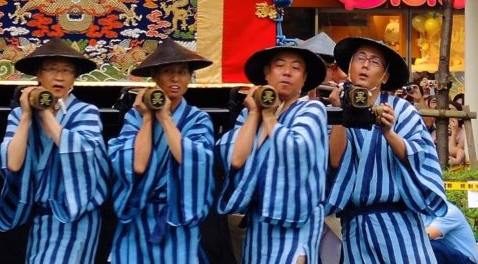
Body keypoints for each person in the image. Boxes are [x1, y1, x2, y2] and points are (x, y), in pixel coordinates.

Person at [327, 37, 447, 264]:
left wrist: (389, 133)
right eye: (360, 58)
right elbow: (335, 163)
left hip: (399, 225)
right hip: (356, 228)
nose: (365, 65)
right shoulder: (334, 109)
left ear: (385, 76)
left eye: (374, 62)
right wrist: (339, 113)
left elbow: (420, 158)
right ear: (349, 67)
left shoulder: (404, 110)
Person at [0, 37, 109, 264]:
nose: (59, 77)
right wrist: (26, 115)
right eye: (52, 70)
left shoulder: (86, 112)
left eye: (66, 71)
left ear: (74, 78)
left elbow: (84, 155)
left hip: (75, 214)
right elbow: (11, 163)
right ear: (39, 75)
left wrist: (47, 113)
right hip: (42, 219)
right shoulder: (20, 115)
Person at [217, 44, 328, 264]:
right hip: (259, 223)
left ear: (304, 79)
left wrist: (269, 117)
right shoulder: (250, 116)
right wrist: (255, 113)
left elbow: (295, 150)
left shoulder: (312, 110)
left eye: (296, 68)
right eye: (279, 66)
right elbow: (235, 159)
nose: (287, 72)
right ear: (267, 74)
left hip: (296, 224)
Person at [108, 38, 214, 263]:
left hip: (179, 217)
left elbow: (194, 161)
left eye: (182, 72)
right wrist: (148, 117)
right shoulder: (135, 116)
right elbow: (136, 165)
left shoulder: (198, 119)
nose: (176, 78)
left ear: (189, 77)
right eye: (168, 72)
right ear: (155, 77)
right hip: (139, 217)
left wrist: (164, 116)